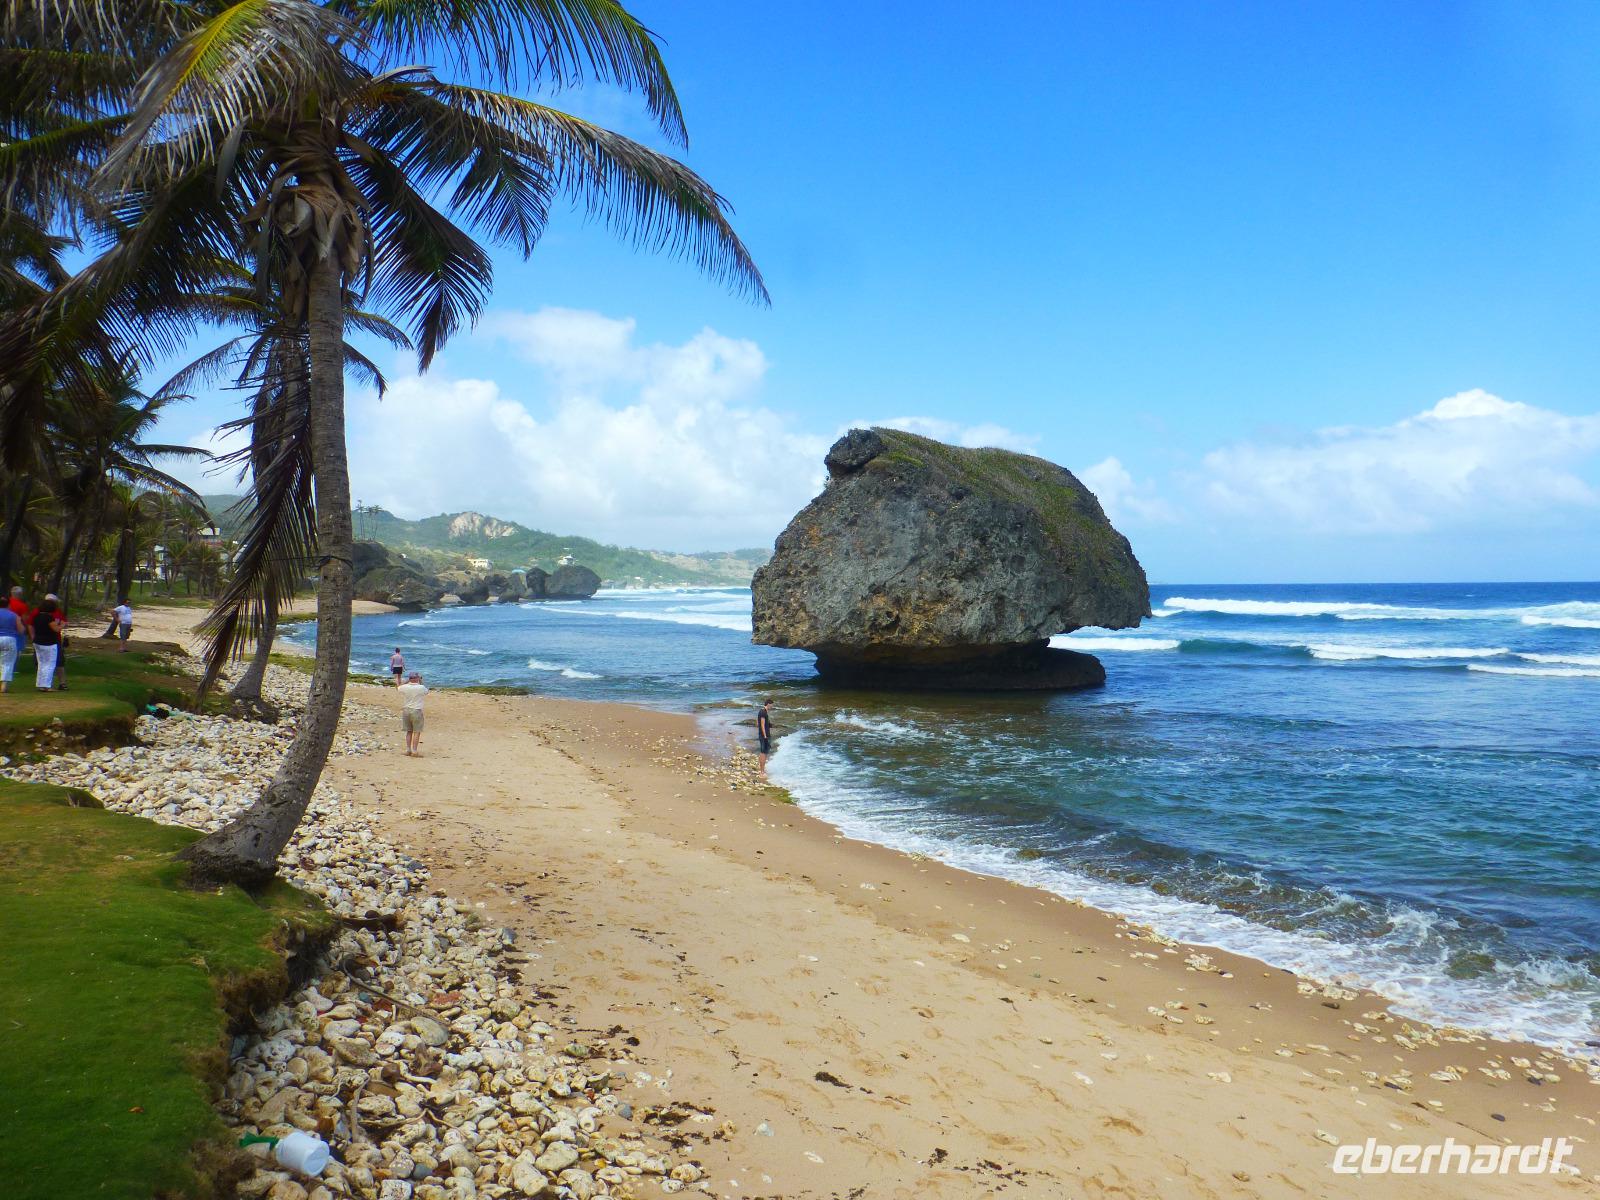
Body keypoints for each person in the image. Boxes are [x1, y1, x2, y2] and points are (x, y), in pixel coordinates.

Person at [31, 596, 64, 691]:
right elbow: (56, 629)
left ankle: (40, 684)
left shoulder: (36, 617)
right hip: (49, 643)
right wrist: (62, 625)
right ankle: (47, 685)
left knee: (41, 664)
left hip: (38, 641)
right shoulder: (49, 618)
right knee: (50, 664)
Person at [398, 671, 428, 756]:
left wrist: (407, 681)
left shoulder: (405, 687)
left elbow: (399, 688)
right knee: (416, 731)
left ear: (410, 679)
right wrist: (421, 681)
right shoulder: (421, 687)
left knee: (409, 731)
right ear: (417, 678)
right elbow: (426, 691)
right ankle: (414, 750)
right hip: (416, 710)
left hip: (406, 710)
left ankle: (408, 749)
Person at [0, 600, 27, 693]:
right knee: (7, 663)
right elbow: (21, 630)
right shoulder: (14, 616)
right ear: (8, 605)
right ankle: (4, 685)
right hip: (9, 639)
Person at [756, 698, 774, 773]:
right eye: (772, 705)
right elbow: (762, 725)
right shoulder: (763, 712)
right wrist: (765, 736)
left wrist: (769, 725)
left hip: (763, 735)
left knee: (763, 752)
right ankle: (762, 771)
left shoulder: (762, 711)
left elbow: (758, 723)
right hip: (764, 736)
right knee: (764, 752)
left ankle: (762, 769)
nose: (772, 707)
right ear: (768, 704)